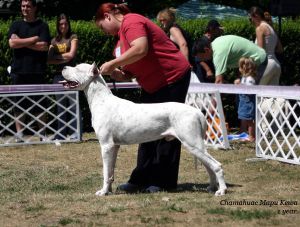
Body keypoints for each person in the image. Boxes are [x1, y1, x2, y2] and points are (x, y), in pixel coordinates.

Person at [95, 2, 191, 193]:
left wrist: (112, 63)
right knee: (144, 130)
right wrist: (120, 74)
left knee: (167, 132)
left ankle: (163, 182)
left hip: (172, 78)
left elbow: (141, 49)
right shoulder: (120, 38)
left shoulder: (132, 21)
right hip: (152, 84)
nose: (102, 31)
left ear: (107, 17)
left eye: (101, 26)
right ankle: (140, 179)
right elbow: (131, 69)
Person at [8, 0, 50, 142]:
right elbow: (12, 43)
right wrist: (32, 40)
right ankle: (19, 134)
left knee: (40, 103)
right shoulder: (16, 25)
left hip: (37, 70)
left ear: (35, 8)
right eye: (23, 6)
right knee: (18, 103)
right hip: (19, 70)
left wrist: (21, 42)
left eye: (28, 6)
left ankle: (42, 133)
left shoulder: (42, 26)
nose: (25, 8)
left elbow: (44, 46)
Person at [192, 35, 276, 85]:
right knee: (241, 94)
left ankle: (249, 115)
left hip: (258, 61)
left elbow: (218, 82)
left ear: (206, 50)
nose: (202, 60)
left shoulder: (218, 54)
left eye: (201, 57)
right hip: (252, 62)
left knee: (248, 95)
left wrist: (212, 106)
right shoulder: (216, 43)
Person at [48, 13, 80, 140]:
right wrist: (62, 59)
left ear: (68, 24)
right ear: (57, 25)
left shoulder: (73, 37)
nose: (63, 26)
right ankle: (60, 134)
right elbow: (49, 60)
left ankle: (75, 133)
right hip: (58, 75)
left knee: (73, 104)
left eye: (65, 23)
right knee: (60, 105)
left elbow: (71, 55)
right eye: (61, 24)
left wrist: (56, 58)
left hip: (72, 74)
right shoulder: (53, 40)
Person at [248, 6, 282, 85]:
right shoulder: (272, 28)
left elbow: (260, 52)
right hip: (276, 65)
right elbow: (280, 49)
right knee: (272, 96)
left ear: (256, 16)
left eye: (250, 18)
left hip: (266, 65)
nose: (251, 21)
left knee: (256, 92)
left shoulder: (260, 28)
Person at [234, 57, 256, 142]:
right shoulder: (244, 78)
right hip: (244, 102)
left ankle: (251, 136)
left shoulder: (250, 79)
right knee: (244, 117)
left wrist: (240, 85)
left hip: (248, 102)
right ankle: (244, 131)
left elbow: (250, 91)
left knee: (249, 120)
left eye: (240, 67)